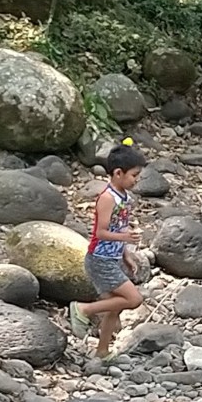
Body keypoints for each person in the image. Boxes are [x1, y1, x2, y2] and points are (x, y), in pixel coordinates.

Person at [68, 139, 146, 362]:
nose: (136, 180)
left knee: (114, 308)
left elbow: (118, 226)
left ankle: (102, 351)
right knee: (134, 299)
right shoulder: (107, 198)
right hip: (99, 259)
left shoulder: (124, 198)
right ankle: (83, 309)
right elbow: (100, 232)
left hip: (112, 257)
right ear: (118, 173)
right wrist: (125, 237)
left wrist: (126, 254)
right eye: (134, 175)